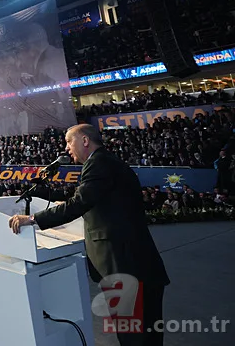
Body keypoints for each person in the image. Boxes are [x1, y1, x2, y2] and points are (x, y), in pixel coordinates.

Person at [9, 124, 169, 346]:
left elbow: (80, 203)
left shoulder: (99, 163)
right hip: (134, 263)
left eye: (69, 141)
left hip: (124, 265)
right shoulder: (106, 162)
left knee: (135, 335)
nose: (66, 149)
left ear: (85, 140)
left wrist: (34, 219)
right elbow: (96, 203)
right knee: (145, 334)